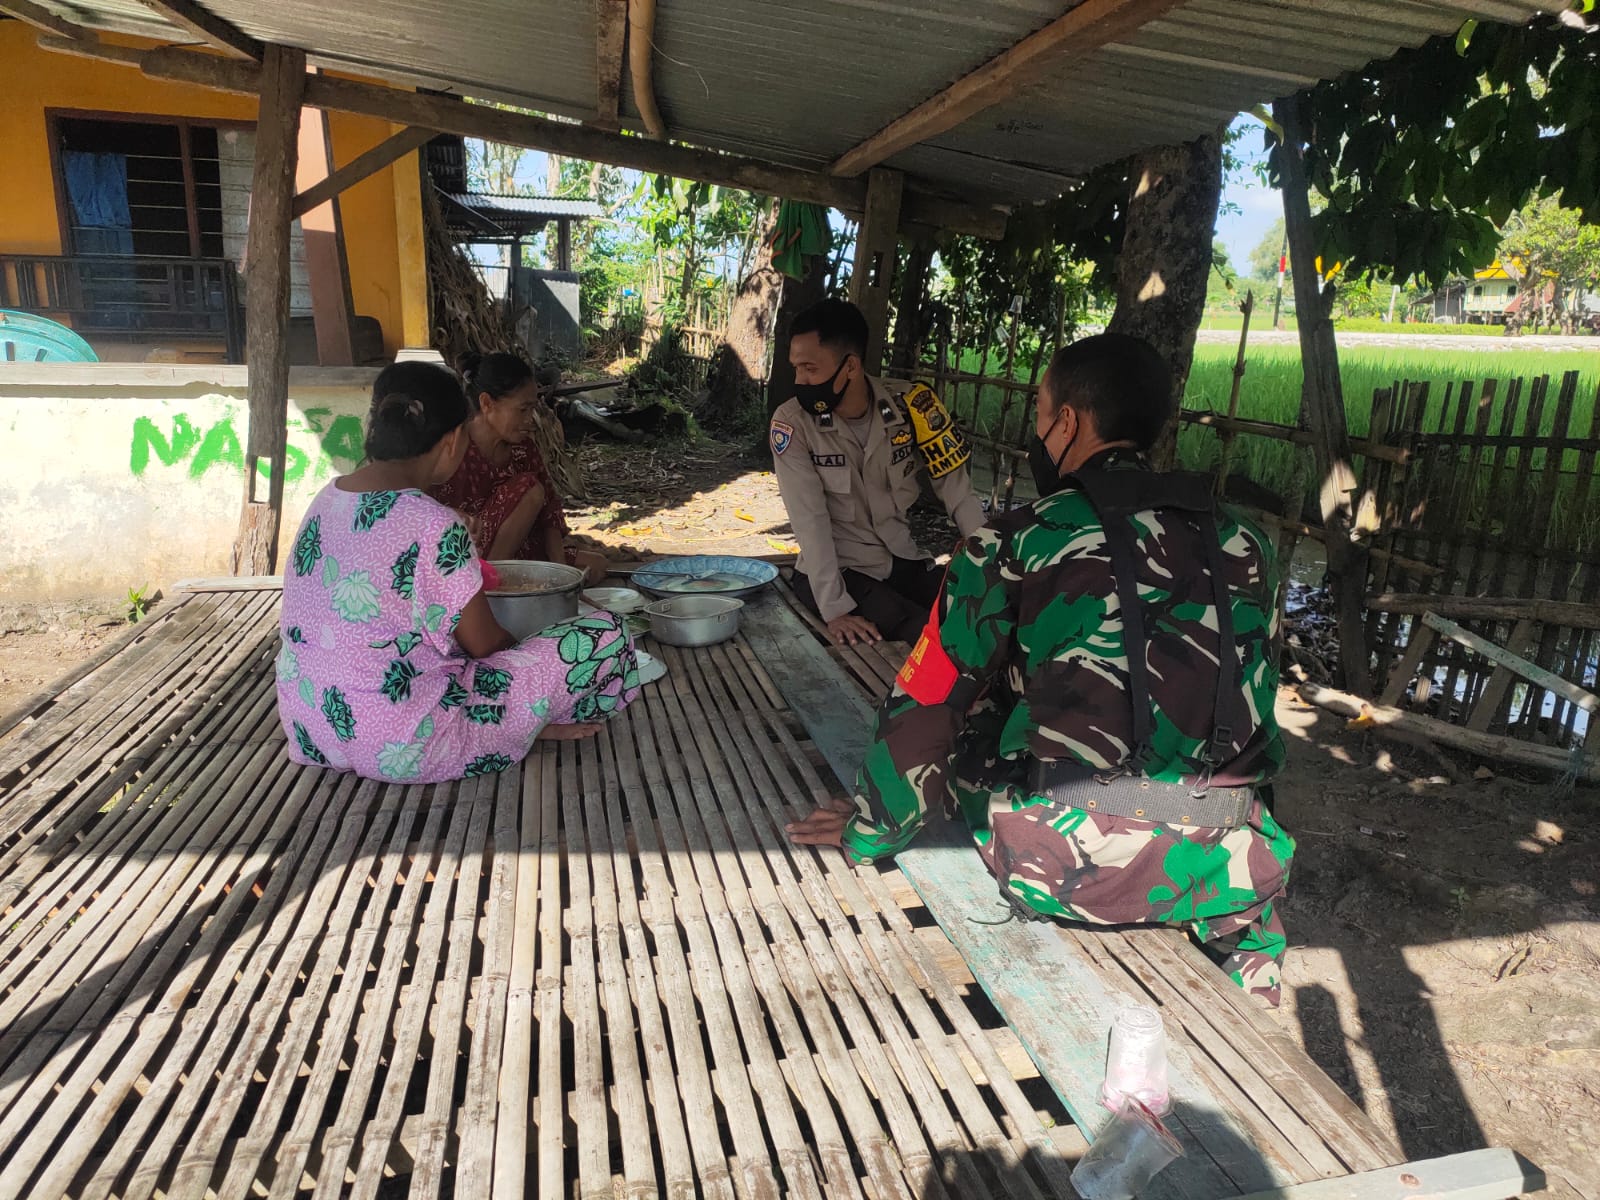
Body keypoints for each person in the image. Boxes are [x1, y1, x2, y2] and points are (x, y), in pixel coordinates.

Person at [787, 334, 1295, 1006]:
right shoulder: (1244, 540)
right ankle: (1251, 982)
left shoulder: (1012, 541)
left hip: (1070, 864)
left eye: (1041, 413)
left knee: (975, 730)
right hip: (1230, 857)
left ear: (1068, 423)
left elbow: (929, 702)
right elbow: (1255, 696)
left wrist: (871, 828)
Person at [277, 360, 640, 784]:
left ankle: (524, 719)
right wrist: (530, 660)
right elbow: (485, 645)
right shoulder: (435, 524)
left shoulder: (325, 498)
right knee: (607, 634)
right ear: (452, 440)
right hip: (411, 746)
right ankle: (525, 721)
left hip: (314, 729)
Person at [770, 299, 986, 646]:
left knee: (978, 611)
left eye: (810, 368)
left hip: (900, 558)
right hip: (841, 572)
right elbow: (810, 521)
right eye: (797, 368)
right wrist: (835, 609)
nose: (800, 380)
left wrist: (988, 560)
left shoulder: (913, 406)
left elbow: (958, 490)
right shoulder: (793, 424)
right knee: (928, 636)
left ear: (851, 366)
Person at [431, 351, 608, 584]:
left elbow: (550, 513)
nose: (529, 419)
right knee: (529, 489)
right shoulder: (453, 447)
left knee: (597, 565)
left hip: (523, 552)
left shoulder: (524, 448)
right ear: (487, 403)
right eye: (522, 410)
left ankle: (508, 578)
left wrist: (563, 574)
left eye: (532, 409)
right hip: (465, 558)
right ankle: (490, 585)